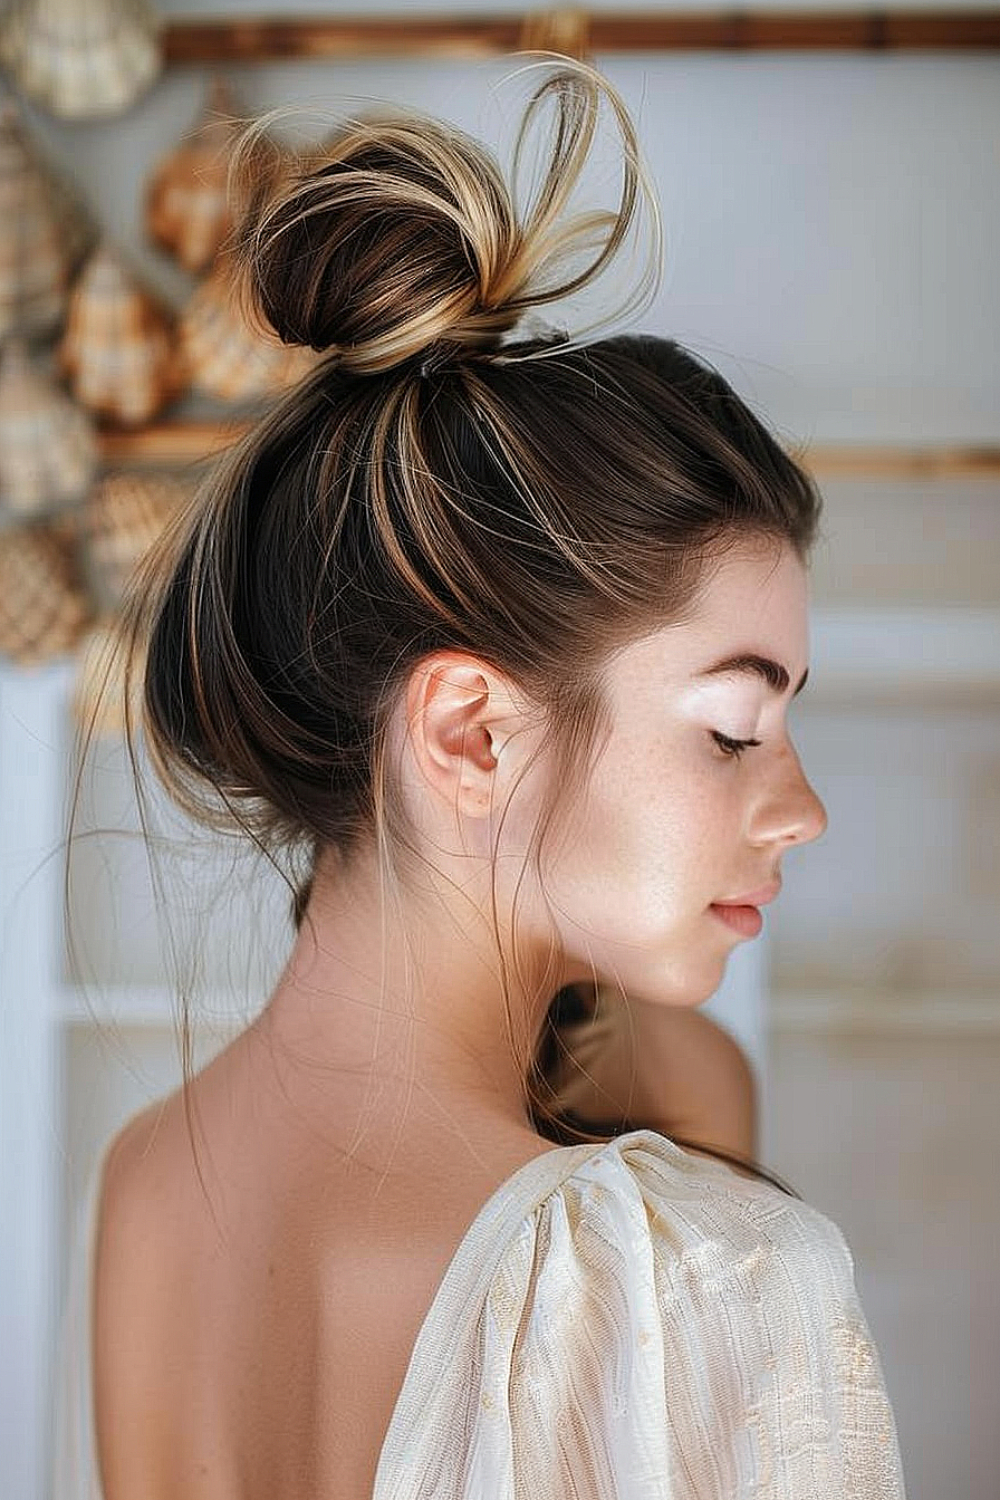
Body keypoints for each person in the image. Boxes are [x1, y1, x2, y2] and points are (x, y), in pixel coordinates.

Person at [54, 62, 907, 1500]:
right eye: (729, 727)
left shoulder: (151, 1186)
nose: (801, 810)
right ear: (467, 733)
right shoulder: (692, 1270)